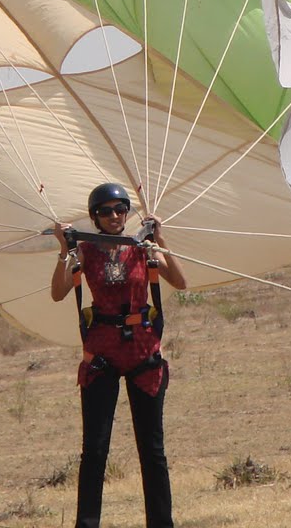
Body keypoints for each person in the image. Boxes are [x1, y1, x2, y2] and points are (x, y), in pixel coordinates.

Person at [51, 182, 188, 528]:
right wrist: (64, 249)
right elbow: (57, 293)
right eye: (105, 211)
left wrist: (160, 240)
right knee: (94, 450)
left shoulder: (142, 247)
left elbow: (180, 281)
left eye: (119, 210)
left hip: (143, 351)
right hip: (102, 355)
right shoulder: (86, 251)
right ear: (95, 217)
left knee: (152, 450)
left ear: (127, 213)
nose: (114, 216)